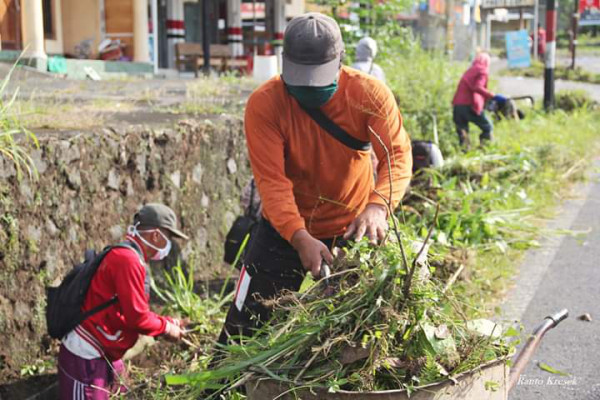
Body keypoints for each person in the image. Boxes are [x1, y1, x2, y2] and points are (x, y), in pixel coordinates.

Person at [216, 13, 412, 347]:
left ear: (340, 61)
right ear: (284, 63)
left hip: (353, 230)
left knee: (356, 334)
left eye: (318, 79)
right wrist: (299, 236)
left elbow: (397, 155)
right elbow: (272, 181)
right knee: (244, 332)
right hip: (284, 230)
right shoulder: (265, 104)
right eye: (300, 80)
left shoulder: (370, 96)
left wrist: (378, 206)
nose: (309, 89)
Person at [57, 203, 189, 400]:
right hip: (86, 355)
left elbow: (131, 310)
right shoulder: (128, 260)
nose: (168, 245)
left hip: (105, 351)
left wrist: (166, 322)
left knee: (122, 391)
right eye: (168, 238)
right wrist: (167, 329)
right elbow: (138, 318)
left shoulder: (129, 256)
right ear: (156, 236)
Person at [452, 52, 495, 148]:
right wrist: (490, 94)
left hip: (457, 105)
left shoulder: (470, 70)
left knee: (462, 130)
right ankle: (485, 148)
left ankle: (464, 151)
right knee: (487, 127)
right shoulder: (482, 71)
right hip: (469, 105)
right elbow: (478, 87)